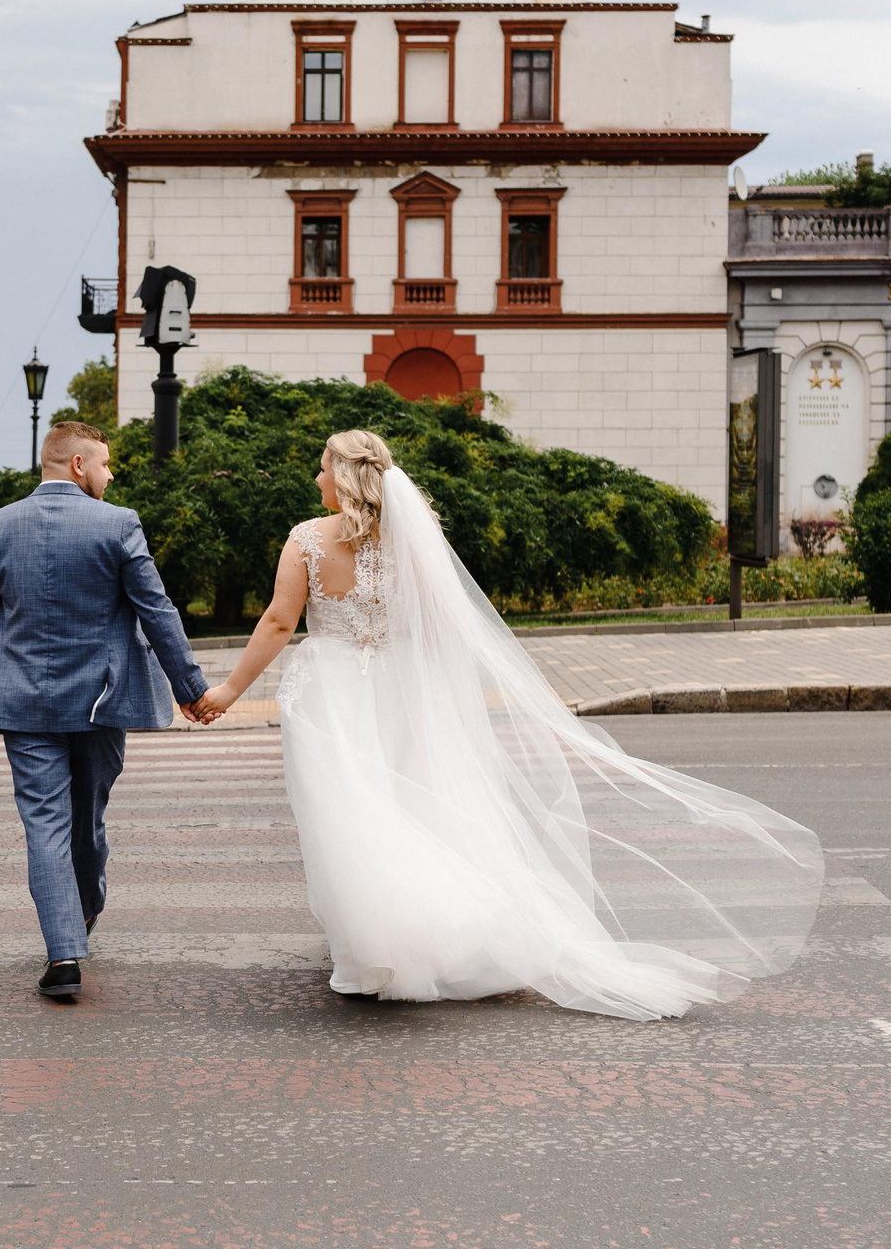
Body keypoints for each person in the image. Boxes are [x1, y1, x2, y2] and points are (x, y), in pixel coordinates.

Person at [192, 430, 824, 1017]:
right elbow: (444, 624)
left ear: (343, 476)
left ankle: (372, 955)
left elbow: (279, 622)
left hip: (334, 693)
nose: (315, 477)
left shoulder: (307, 538)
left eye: (323, 466)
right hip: (401, 691)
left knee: (348, 816)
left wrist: (227, 690)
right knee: (408, 808)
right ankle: (417, 940)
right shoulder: (412, 537)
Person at [0, 421, 213, 1001]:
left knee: (45, 824)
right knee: (88, 817)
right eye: (103, 463)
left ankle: (65, 951)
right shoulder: (118, 523)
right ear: (77, 464)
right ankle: (82, 916)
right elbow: (158, 610)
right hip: (103, 700)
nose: (110, 473)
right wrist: (190, 686)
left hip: (23, 701)